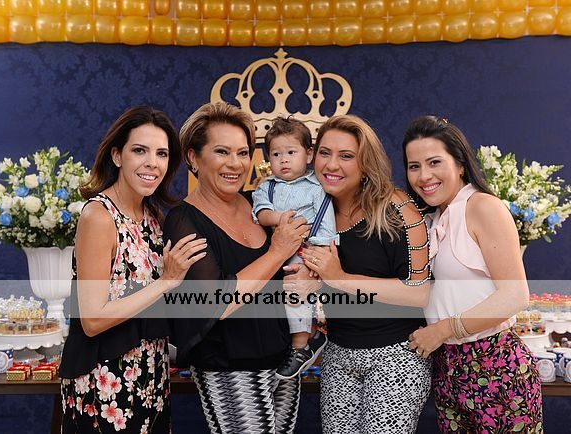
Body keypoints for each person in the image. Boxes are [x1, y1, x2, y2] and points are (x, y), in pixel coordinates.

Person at [163, 102, 309, 434]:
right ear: (193, 157)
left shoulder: (260, 204)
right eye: (222, 151)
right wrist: (277, 252)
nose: (235, 163)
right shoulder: (183, 220)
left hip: (283, 361)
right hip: (228, 368)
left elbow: (295, 262)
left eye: (243, 153)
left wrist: (306, 273)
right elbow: (214, 301)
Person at [59, 106, 207, 433]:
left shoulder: (152, 217)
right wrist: (167, 281)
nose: (152, 162)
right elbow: (92, 320)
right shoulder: (99, 217)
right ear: (117, 156)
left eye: (162, 153)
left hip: (150, 375)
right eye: (140, 150)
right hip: (104, 381)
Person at [289, 114, 432, 434]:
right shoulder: (311, 211)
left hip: (396, 356)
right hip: (339, 354)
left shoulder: (396, 208)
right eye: (325, 153)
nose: (331, 165)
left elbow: (420, 293)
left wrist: (339, 278)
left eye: (346, 156)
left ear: (366, 164)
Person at [402, 115, 543, 432]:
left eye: (434, 162)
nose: (424, 176)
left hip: (496, 368)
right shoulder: (431, 218)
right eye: (414, 166)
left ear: (461, 164)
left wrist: (442, 330)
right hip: (448, 369)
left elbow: (515, 295)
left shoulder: (482, 207)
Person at [252, 116, 337, 380]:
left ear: (308, 154)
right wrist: (280, 218)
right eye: (276, 154)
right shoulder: (267, 186)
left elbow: (326, 221)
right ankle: (304, 336)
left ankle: (300, 346)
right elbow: (261, 213)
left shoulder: (317, 186)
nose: (284, 160)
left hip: (311, 247)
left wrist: (316, 255)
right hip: (276, 249)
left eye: (291, 153)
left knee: (295, 289)